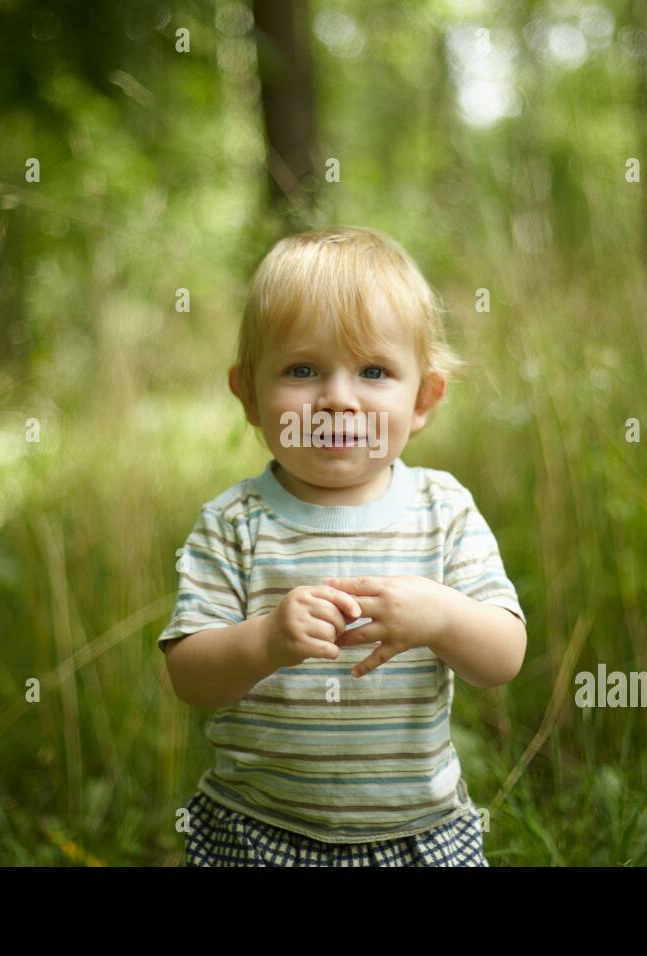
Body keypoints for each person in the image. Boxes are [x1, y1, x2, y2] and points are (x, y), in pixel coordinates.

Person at [159, 224, 527, 866]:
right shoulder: (232, 524)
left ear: (423, 399)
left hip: (416, 832)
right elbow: (191, 676)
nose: (336, 398)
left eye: (374, 371)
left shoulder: (442, 511)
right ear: (248, 393)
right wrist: (266, 640)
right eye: (302, 370)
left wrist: (441, 615)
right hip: (257, 832)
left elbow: (502, 657)